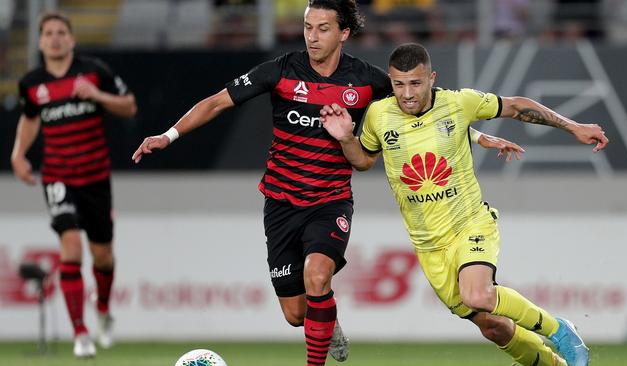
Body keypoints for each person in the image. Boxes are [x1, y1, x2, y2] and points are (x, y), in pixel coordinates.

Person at [132, 2, 521, 365]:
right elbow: (216, 102)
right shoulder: (280, 71)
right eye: (307, 27)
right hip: (281, 203)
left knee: (317, 275)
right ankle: (328, 321)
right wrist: (168, 136)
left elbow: (418, 111)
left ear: (344, 33)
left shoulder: (368, 81)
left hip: (330, 201)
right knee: (295, 313)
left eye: (322, 28)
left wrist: (479, 136)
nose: (312, 36)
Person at [320, 43, 608, 366]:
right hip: (429, 247)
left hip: (469, 224)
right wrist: (346, 138)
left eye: (415, 83)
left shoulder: (458, 103)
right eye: (399, 84)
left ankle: (560, 331)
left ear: (432, 78)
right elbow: (363, 160)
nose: (407, 94)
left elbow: (514, 106)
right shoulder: (378, 115)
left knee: (478, 294)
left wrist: (574, 127)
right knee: (493, 326)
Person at [11, 12, 137, 358]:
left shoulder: (94, 72)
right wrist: (19, 154)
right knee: (70, 247)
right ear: (40, 41)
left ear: (71, 39)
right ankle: (80, 333)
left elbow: (128, 105)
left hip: (95, 177)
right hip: (58, 176)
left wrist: (97, 95)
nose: (54, 38)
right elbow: (30, 118)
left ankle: (104, 311)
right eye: (48, 33)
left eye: (60, 32)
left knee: (103, 256)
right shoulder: (32, 84)